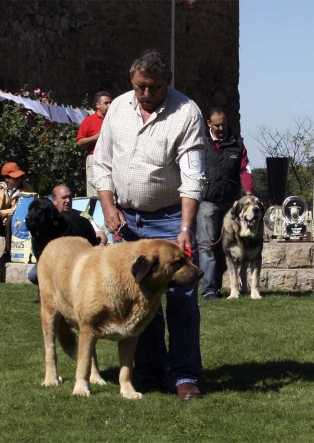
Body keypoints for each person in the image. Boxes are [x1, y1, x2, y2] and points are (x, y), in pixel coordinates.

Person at [93, 48, 207, 401]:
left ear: (167, 82)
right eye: (140, 86)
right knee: (139, 298)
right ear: (131, 80)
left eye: (153, 87)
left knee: (182, 298)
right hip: (126, 221)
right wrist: (108, 207)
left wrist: (185, 228)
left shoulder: (186, 113)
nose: (145, 93)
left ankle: (185, 375)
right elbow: (102, 164)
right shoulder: (116, 110)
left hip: (171, 218)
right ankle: (149, 371)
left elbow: (193, 176)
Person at [197, 107, 255, 301]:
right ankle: (208, 290)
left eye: (224, 124)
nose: (221, 128)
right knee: (206, 246)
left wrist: (248, 194)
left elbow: (245, 169)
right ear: (208, 124)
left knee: (226, 247)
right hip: (207, 202)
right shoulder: (201, 144)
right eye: (217, 125)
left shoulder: (237, 144)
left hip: (231, 204)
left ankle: (220, 285)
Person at [0, 162, 34, 264]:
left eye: (19, 177)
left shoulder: (26, 188)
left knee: (11, 219)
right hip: (0, 223)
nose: (18, 179)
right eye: (15, 178)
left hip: (17, 224)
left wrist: (0, 213)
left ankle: (8, 252)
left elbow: (20, 209)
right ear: (6, 178)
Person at [76, 91, 112, 197]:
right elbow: (79, 142)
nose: (109, 105)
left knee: (112, 190)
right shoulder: (89, 121)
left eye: (110, 103)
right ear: (97, 105)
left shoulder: (114, 119)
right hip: (94, 158)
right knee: (94, 193)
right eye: (106, 103)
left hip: (113, 159)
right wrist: (96, 137)